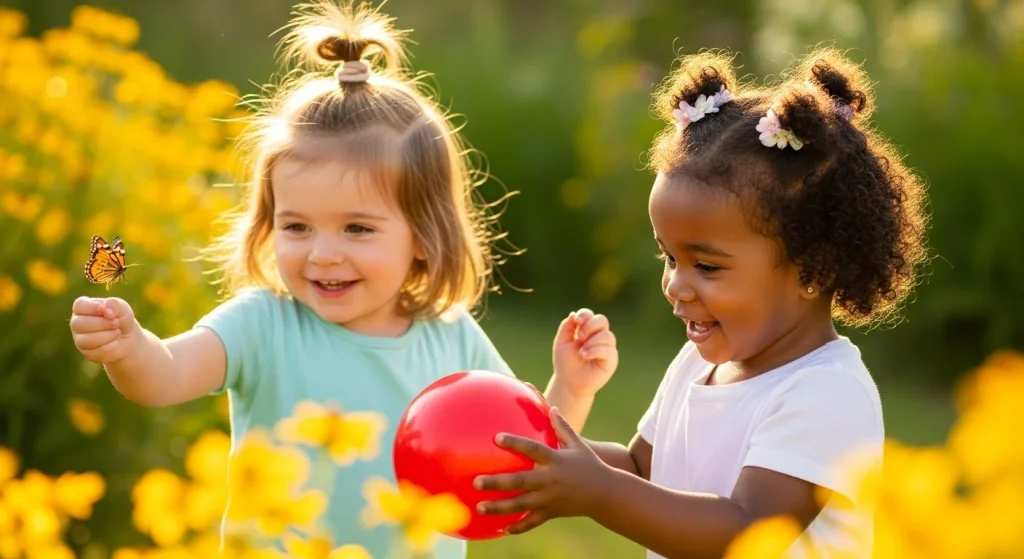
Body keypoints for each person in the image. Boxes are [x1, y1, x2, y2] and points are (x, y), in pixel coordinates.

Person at [68, 1, 618, 557]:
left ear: (425, 237)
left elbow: (526, 453)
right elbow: (163, 377)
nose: (323, 254)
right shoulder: (263, 325)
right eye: (298, 226)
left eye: (357, 228)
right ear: (268, 223)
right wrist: (128, 347)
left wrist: (570, 387)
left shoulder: (450, 337)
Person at [474, 47, 930, 559]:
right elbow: (645, 470)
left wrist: (598, 491)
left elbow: (745, 531)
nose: (675, 285)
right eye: (669, 257)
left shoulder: (825, 393)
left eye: (707, 266)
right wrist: (554, 458)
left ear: (813, 271)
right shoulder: (698, 362)